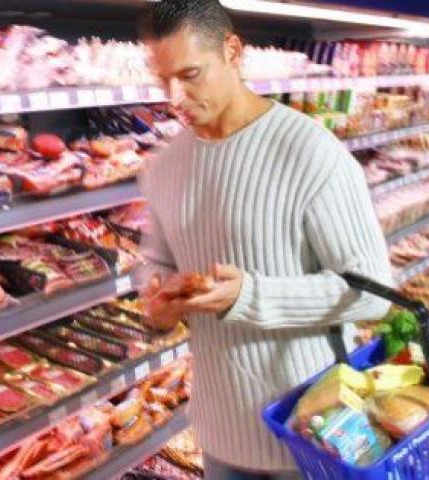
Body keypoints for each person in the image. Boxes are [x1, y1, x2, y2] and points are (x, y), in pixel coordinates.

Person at [136, 1, 394, 478]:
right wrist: (157, 302)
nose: (174, 96)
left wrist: (249, 297)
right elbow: (156, 262)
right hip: (220, 437)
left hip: (312, 433)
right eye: (162, 79)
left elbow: (373, 291)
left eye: (190, 75)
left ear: (233, 52)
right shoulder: (166, 166)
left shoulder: (310, 152)